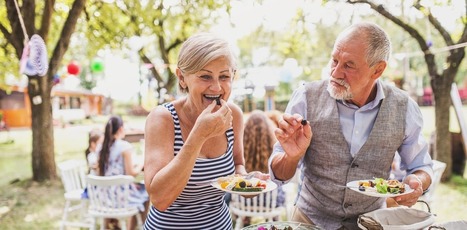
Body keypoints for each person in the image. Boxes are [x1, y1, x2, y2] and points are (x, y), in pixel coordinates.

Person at [268, 22, 433, 229]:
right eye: (334, 60)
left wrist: (417, 183)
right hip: (309, 221)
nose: (335, 73)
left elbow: (421, 167)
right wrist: (290, 157)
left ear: (378, 70)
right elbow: (279, 175)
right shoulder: (306, 97)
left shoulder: (404, 107)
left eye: (348, 65)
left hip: (371, 222)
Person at [143, 33, 250, 229]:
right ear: (182, 78)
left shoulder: (233, 114)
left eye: (224, 76)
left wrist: (246, 181)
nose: (217, 87)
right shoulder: (162, 119)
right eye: (205, 76)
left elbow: (238, 164)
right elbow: (159, 198)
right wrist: (199, 135)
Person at [97, 115, 148, 230]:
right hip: (119, 198)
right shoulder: (124, 147)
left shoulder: (101, 147)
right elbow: (131, 173)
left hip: (102, 197)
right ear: (120, 129)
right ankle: (139, 226)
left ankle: (110, 224)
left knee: (137, 190)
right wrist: (141, 163)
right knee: (145, 192)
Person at [241, 110, 286, 225]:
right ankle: (272, 220)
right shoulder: (275, 148)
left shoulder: (240, 150)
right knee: (278, 188)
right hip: (271, 201)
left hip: (244, 202)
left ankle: (246, 218)